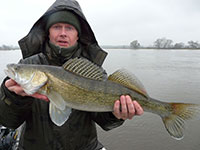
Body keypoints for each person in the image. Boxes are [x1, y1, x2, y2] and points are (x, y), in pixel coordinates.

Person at [0, 0, 143, 149]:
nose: (62, 33)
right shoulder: (27, 64)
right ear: (48, 32)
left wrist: (116, 115)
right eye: (56, 27)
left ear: (78, 35)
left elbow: (104, 122)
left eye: (69, 28)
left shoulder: (93, 71)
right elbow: (8, 121)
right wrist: (12, 98)